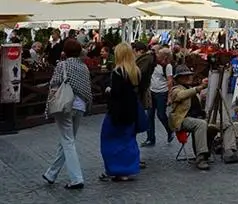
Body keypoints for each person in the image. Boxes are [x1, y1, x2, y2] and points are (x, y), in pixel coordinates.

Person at [43, 39, 92, 190]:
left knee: (67, 140)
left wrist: (47, 106)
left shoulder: (62, 65)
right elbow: (87, 88)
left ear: (64, 51)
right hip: (80, 106)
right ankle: (51, 173)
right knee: (67, 140)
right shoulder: (84, 67)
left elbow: (54, 85)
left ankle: (76, 178)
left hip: (65, 105)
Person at [170, 66, 231, 170]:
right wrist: (199, 88)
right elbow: (181, 95)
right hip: (182, 120)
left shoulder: (190, 88)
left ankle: (229, 150)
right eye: (184, 76)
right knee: (200, 124)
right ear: (178, 78)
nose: (188, 78)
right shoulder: (176, 89)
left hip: (197, 118)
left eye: (188, 75)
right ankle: (201, 156)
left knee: (222, 125)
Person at [100, 43, 141, 182]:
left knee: (109, 141)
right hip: (131, 112)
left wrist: (108, 90)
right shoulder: (135, 71)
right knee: (128, 141)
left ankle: (115, 169)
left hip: (117, 113)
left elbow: (116, 93)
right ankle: (127, 169)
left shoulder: (118, 72)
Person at [142, 48, 174, 147]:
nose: (157, 55)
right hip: (151, 92)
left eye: (159, 54)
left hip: (162, 93)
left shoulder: (168, 66)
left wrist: (169, 96)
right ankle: (150, 138)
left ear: (164, 56)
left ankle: (169, 130)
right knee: (149, 115)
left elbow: (169, 81)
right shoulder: (153, 63)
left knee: (161, 114)